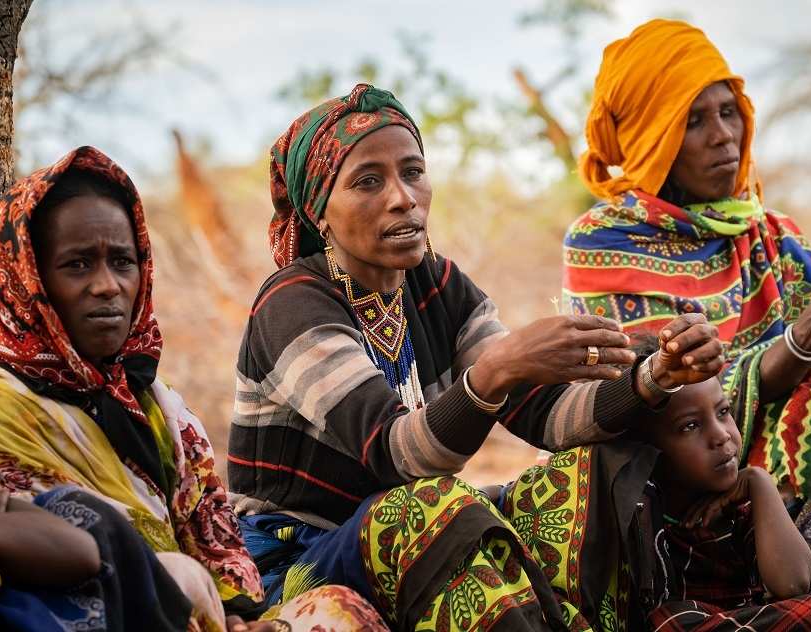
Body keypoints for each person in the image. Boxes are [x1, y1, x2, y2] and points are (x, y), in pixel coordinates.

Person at [228, 83, 727, 631]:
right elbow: (399, 457)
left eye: (413, 172)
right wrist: (500, 367)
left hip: (413, 533)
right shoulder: (292, 303)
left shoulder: (436, 283)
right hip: (296, 561)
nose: (403, 198)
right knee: (434, 505)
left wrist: (654, 376)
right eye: (368, 181)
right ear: (320, 212)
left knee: (592, 470)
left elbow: (548, 418)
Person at [561, 19, 811, 629]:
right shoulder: (603, 244)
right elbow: (673, 393)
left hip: (785, 446)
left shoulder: (772, 235)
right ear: (650, 136)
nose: (723, 135)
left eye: (728, 111)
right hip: (677, 463)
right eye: (693, 120)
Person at [0, 146, 386, 631]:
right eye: (78, 265)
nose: (108, 286)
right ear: (25, 281)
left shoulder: (159, 408)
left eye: (122, 262)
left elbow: (217, 548)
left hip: (195, 613)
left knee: (335, 610)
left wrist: (240, 618)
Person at [626, 338, 811, 629]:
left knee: (809, 613)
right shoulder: (640, 510)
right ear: (648, 449)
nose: (722, 435)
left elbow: (795, 584)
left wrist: (759, 480)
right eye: (690, 426)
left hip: (743, 621)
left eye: (723, 412)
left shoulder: (741, 505)